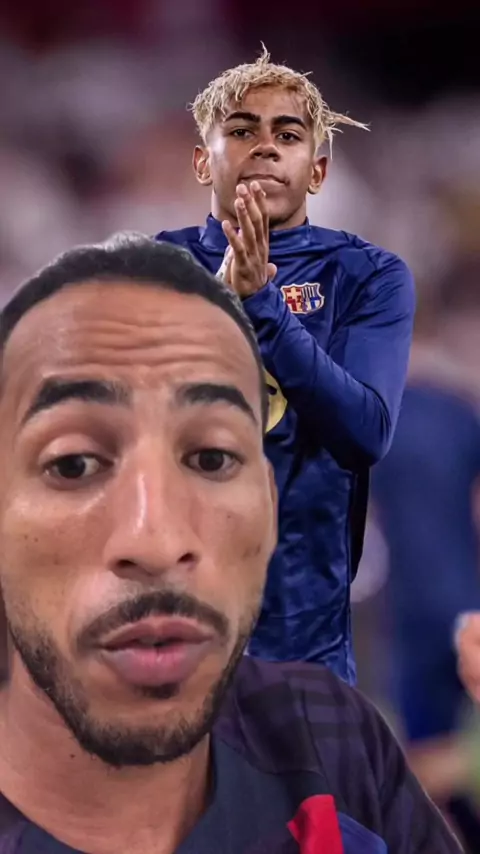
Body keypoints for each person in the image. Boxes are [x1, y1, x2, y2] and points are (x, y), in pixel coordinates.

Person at [0, 234, 458, 853]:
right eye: (74, 464)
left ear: (269, 508)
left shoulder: (328, 738)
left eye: (211, 458)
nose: (157, 542)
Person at [157, 48, 415, 682]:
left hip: (307, 642)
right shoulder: (151, 271)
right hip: (177, 621)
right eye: (243, 130)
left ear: (317, 171)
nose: (266, 147)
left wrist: (262, 306)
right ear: (203, 161)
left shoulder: (367, 275)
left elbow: (365, 433)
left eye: (289, 135)